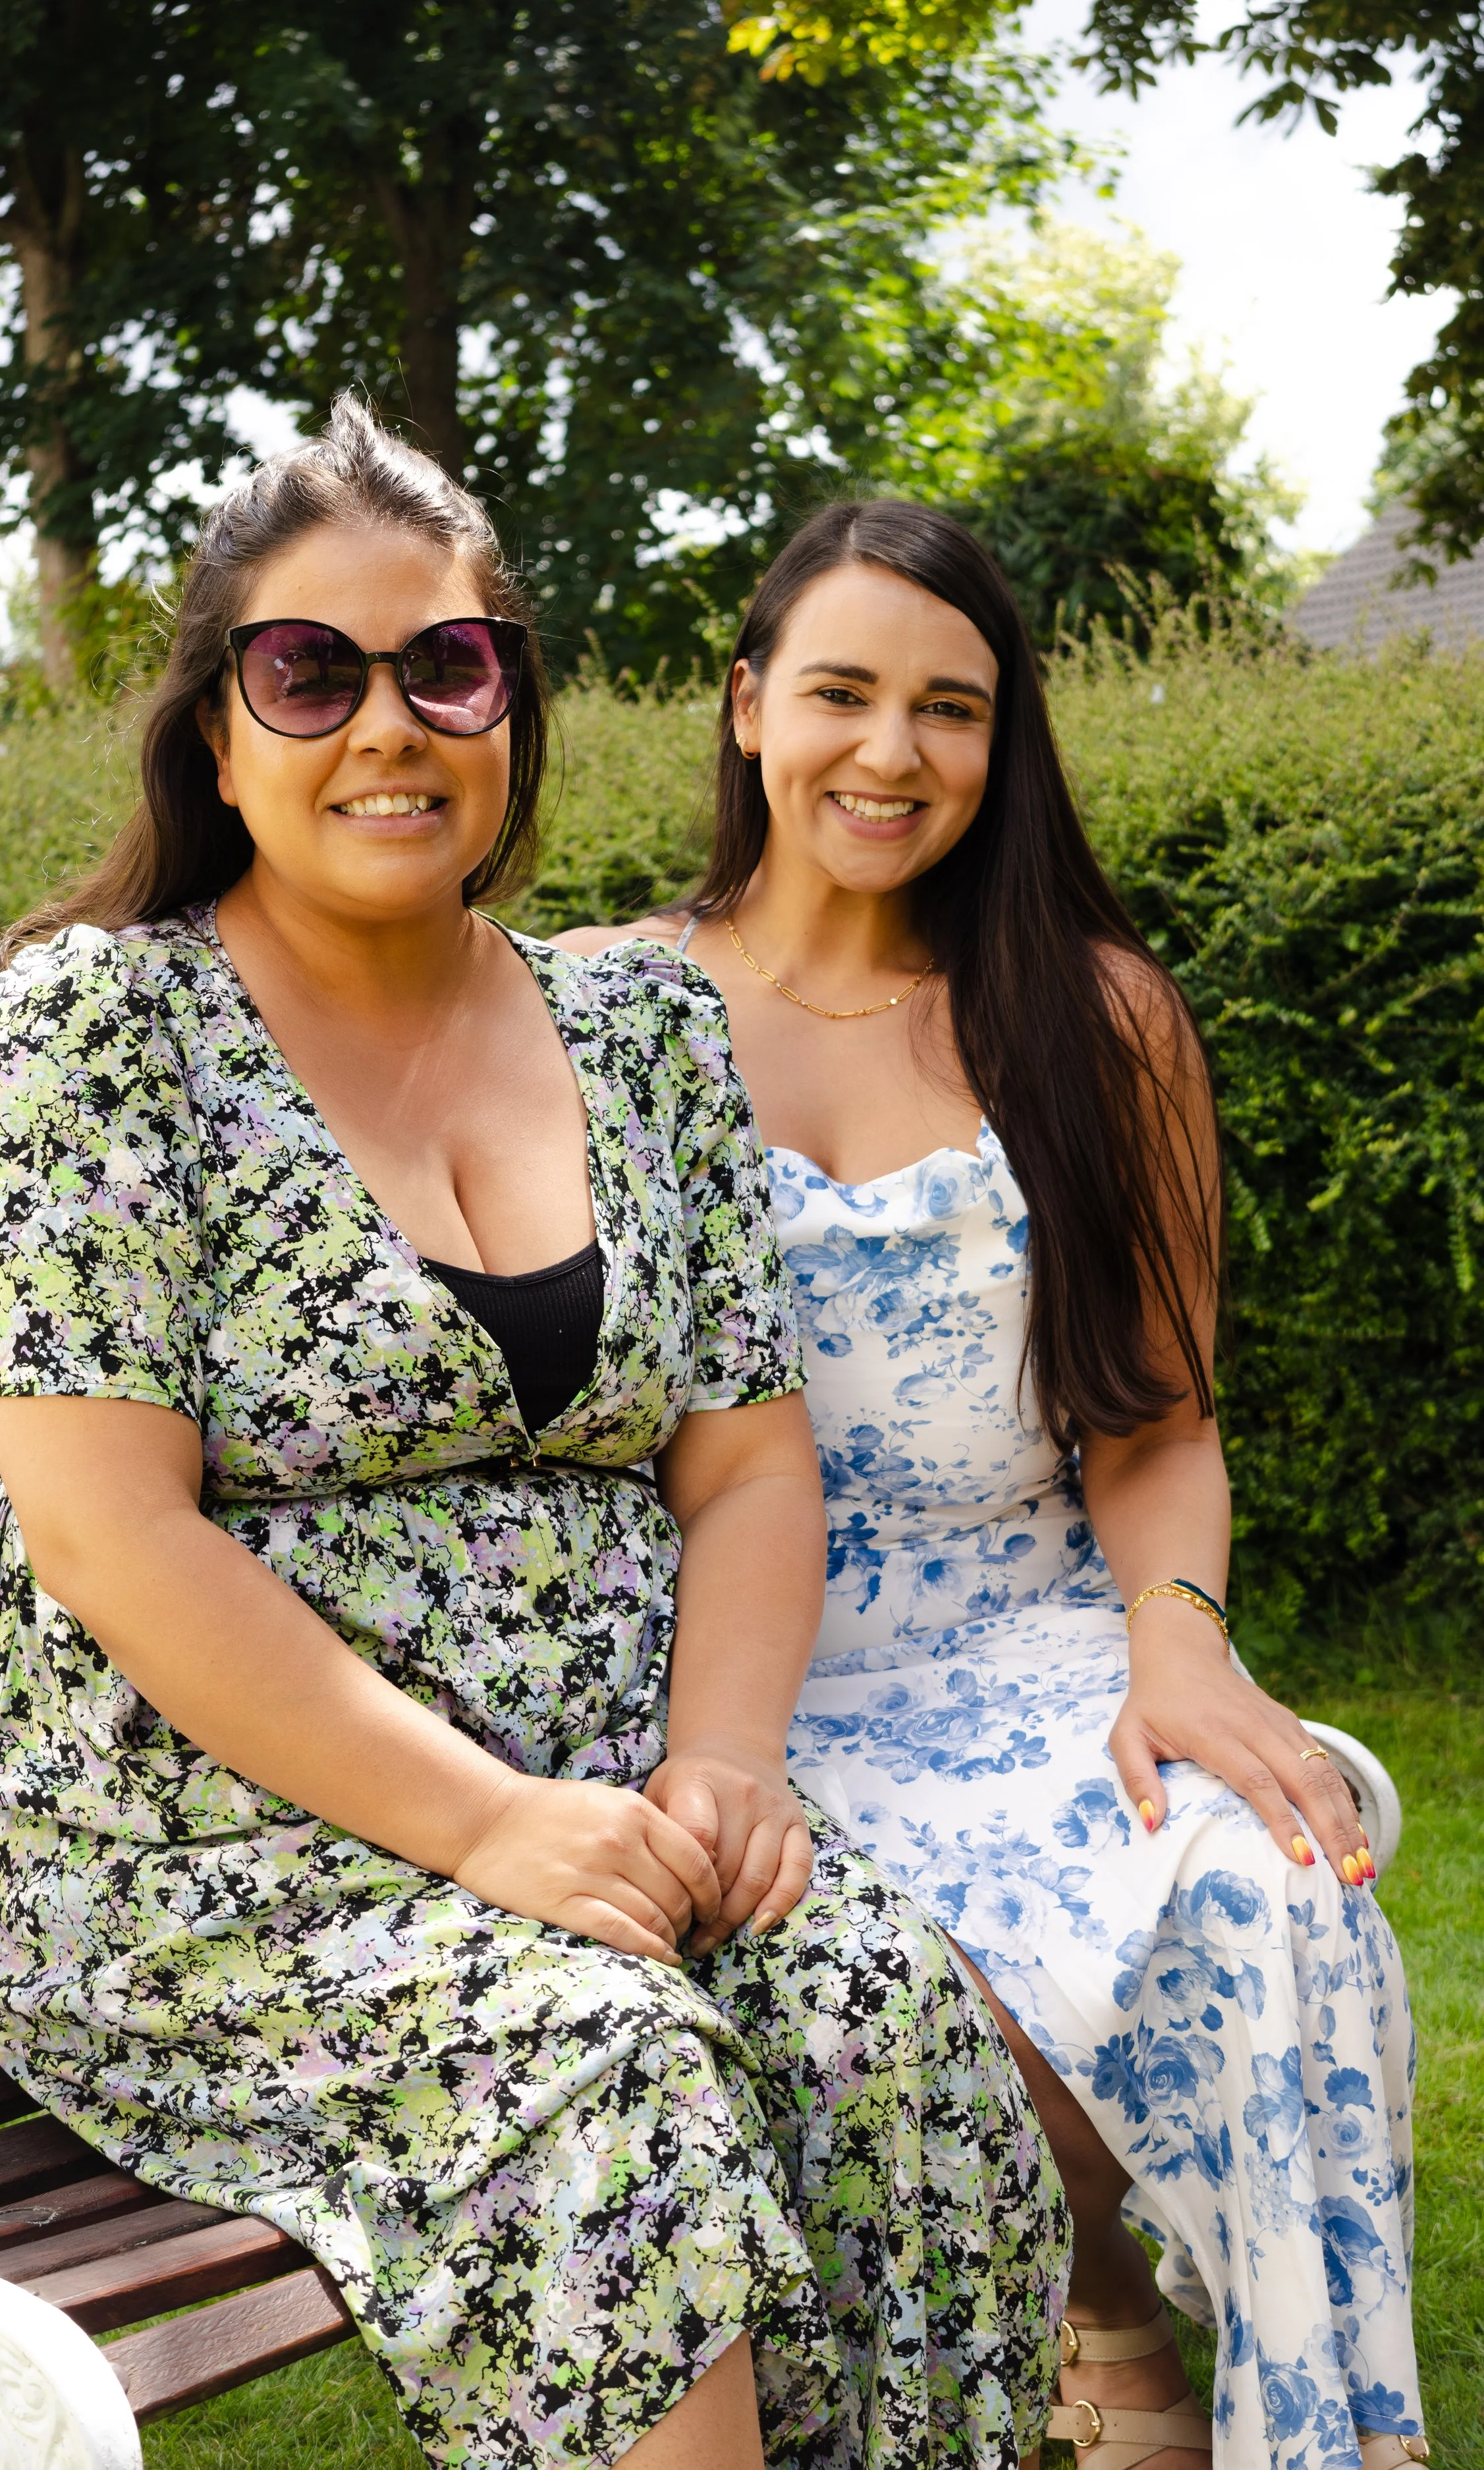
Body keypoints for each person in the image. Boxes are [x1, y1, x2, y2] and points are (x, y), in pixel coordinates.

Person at [0, 412, 1068, 2470]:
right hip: (179, 1843)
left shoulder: (640, 1027)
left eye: (444, 665)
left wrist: (717, 1763)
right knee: (599, 2081)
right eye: (308, 673)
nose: (385, 726)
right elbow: (105, 1537)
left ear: (509, 695)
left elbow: (744, 1460)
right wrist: (489, 1828)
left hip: (595, 1796)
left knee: (876, 2018)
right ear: (219, 729)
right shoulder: (90, 1032)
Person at [560, 500, 1425, 2470]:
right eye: (842, 691)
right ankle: (1091, 2311)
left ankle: (1315, 2433)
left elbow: (1155, 1417)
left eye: (947, 708)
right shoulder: (597, 1005)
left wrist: (1176, 1644)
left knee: (1267, 1885)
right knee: (892, 1986)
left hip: (1034, 1636)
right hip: (737, 1677)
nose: (889, 752)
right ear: (745, 702)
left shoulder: (1097, 1014)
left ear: (1000, 738)